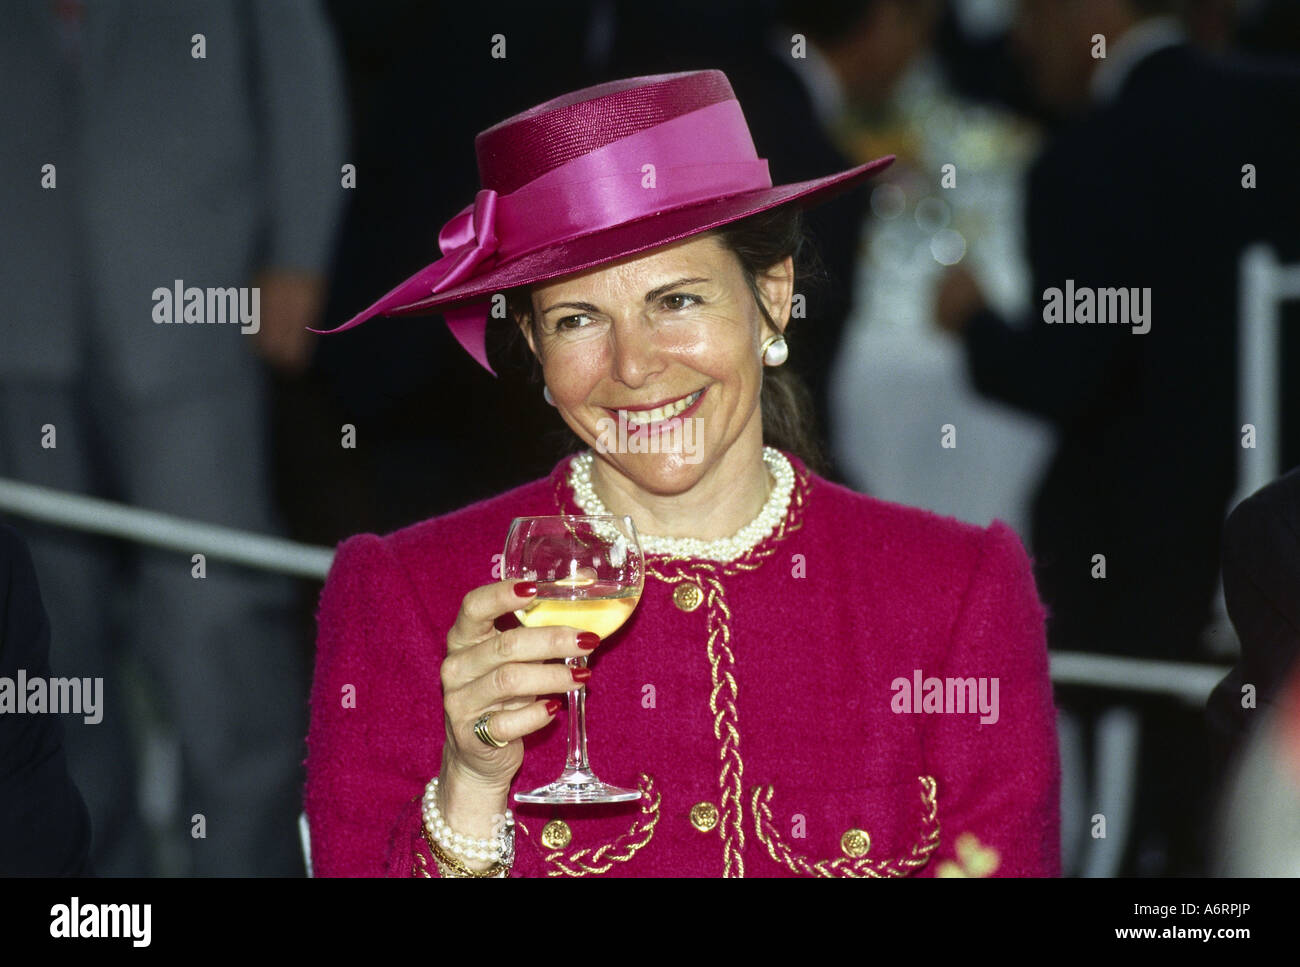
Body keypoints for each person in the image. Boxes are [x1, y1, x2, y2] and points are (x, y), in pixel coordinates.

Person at [304, 70, 1060, 878]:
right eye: (577, 318)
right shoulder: (407, 595)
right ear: (531, 345)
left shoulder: (956, 592)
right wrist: (468, 792)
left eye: (677, 301)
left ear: (772, 297)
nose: (633, 366)